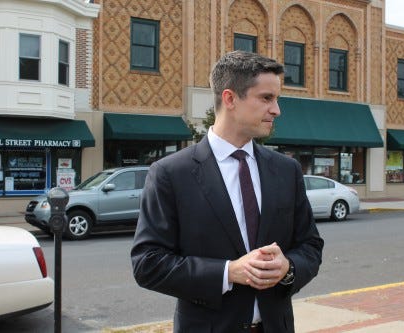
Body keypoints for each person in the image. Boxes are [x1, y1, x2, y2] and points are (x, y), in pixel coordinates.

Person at [131, 50, 323, 333]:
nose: (276, 110)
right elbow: (148, 263)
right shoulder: (171, 173)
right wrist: (228, 272)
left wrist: (288, 268)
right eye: (266, 98)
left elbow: (310, 246)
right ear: (230, 98)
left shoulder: (286, 170)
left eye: (276, 99)